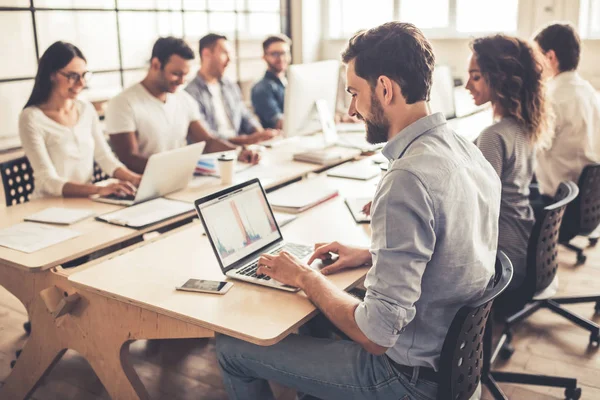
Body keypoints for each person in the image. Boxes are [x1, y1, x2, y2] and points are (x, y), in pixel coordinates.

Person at [215, 22, 501, 400]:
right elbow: (453, 246)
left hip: (405, 381)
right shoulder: (467, 150)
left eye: (354, 93)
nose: (351, 110)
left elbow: (376, 335)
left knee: (231, 347)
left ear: (384, 88)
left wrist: (304, 276)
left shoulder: (407, 179)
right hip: (455, 369)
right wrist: (370, 254)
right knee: (315, 318)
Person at [467, 34, 551, 293]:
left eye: (476, 77)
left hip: (503, 264)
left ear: (500, 78)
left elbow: (477, 211)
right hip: (522, 248)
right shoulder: (522, 126)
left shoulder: (494, 136)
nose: (467, 85)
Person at [105, 37, 259, 174]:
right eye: (176, 74)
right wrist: (176, 171)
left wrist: (238, 152)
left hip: (180, 179)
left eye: (185, 74)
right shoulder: (122, 103)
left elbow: (207, 141)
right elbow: (129, 159)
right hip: (144, 184)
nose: (182, 81)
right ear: (155, 64)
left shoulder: (184, 99)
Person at [19, 41, 140, 199]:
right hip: (49, 206)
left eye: (84, 75)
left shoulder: (86, 109)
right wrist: (97, 190)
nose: (81, 83)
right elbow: (47, 180)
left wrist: (134, 179)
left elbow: (104, 156)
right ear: (52, 75)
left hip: (84, 201)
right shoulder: (31, 118)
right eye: (73, 76)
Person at [533, 23, 600, 199]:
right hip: (588, 200)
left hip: (558, 202)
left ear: (550, 57)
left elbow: (532, 149)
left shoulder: (552, 98)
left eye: (536, 56)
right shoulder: (589, 91)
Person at [184, 33, 279, 144]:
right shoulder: (190, 93)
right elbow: (208, 139)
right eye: (224, 53)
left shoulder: (229, 85)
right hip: (216, 153)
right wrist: (248, 140)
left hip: (241, 148)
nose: (229, 59)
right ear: (206, 54)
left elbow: (245, 115)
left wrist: (261, 134)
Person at [251, 34, 291, 129]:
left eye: (284, 53)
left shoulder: (290, 82)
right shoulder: (261, 89)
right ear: (264, 57)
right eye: (275, 54)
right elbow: (278, 123)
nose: (281, 58)